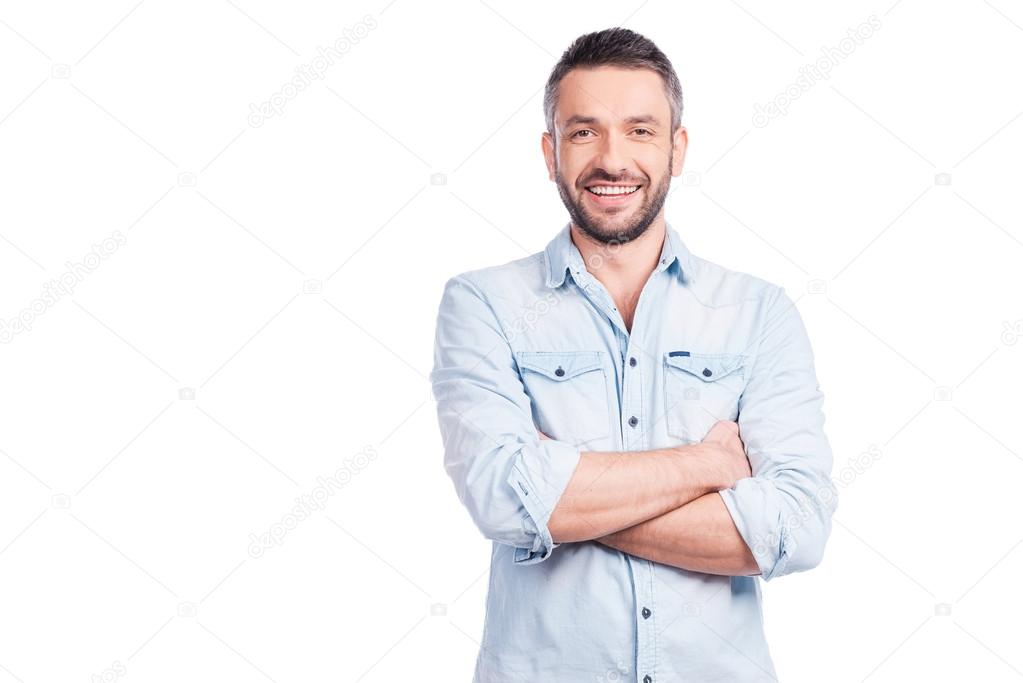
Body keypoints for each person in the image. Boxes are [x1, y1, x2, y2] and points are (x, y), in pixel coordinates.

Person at [430, 26, 837, 682]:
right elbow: (502, 499)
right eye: (583, 131)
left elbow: (796, 526)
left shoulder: (757, 312)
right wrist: (705, 465)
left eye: (640, 130)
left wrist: (561, 492)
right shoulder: (484, 305)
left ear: (677, 148)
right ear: (549, 151)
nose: (611, 159)